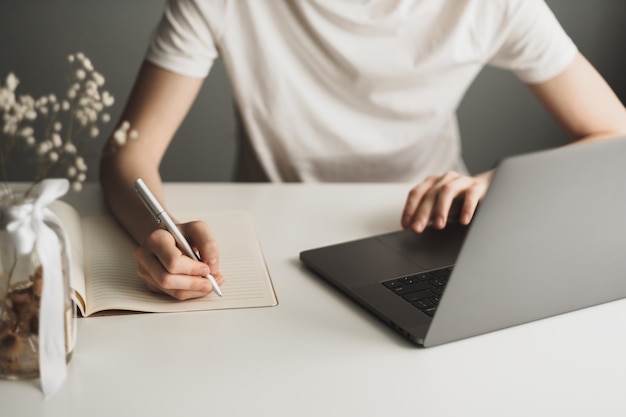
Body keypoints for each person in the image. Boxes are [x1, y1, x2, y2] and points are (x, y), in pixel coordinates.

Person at [100, 0, 626, 301]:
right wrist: (160, 231)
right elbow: (128, 153)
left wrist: (491, 185)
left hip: (433, 237)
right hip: (274, 247)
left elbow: (614, 133)